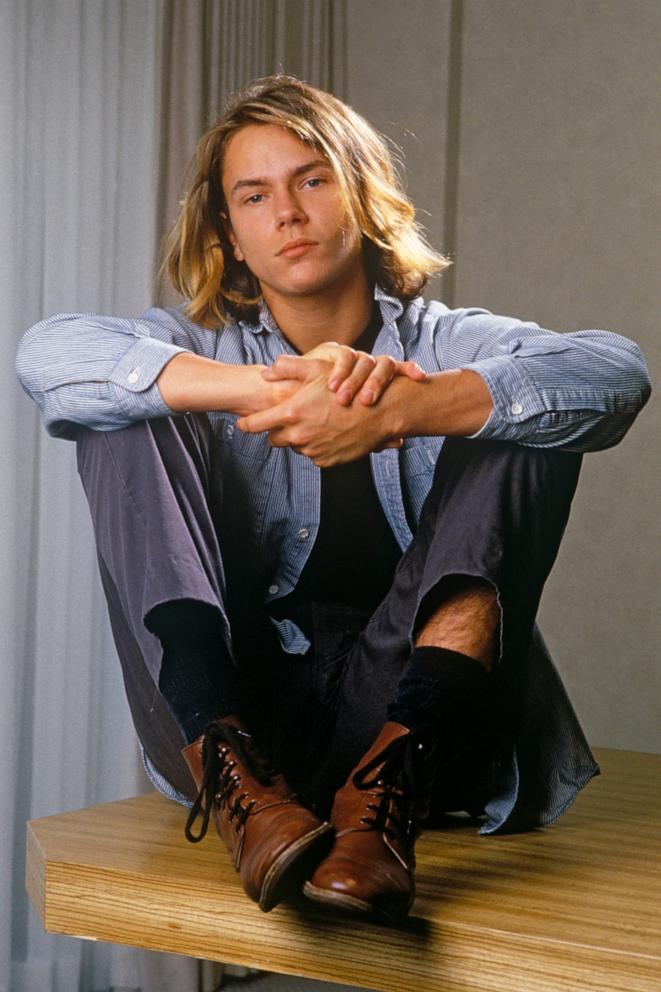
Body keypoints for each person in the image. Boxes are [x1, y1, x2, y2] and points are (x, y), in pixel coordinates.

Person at [16, 75, 651, 921]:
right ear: (231, 236)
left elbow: (613, 373)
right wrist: (261, 392)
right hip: (240, 729)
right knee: (124, 408)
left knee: (524, 410)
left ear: (360, 195)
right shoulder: (200, 345)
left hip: (412, 735)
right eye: (254, 194)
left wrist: (405, 405)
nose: (286, 211)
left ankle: (380, 800)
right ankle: (237, 782)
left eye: (311, 179)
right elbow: (47, 355)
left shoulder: (439, 340)